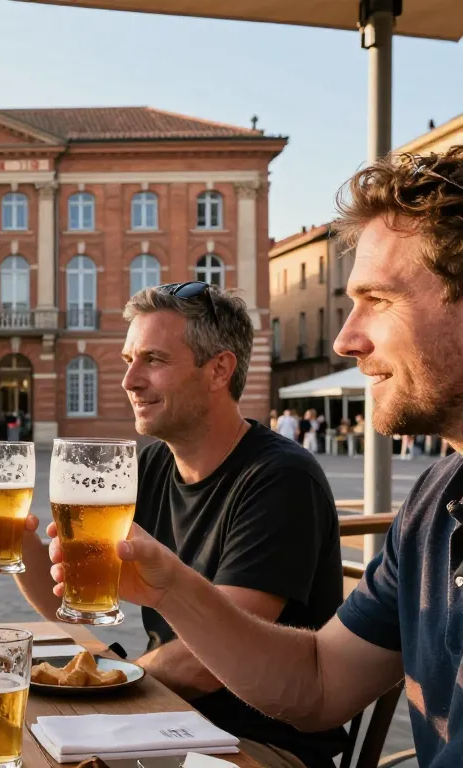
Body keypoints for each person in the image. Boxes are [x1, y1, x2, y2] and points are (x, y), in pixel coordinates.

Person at [62, 149, 463, 768]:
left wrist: (106, 684)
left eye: (378, 298)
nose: (344, 339)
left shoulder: (279, 474)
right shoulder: (436, 502)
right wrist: (174, 590)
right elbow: (321, 683)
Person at [0, 283, 346, 768]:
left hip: (256, 743)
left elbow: (211, 663)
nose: (129, 379)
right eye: (129, 358)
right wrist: (17, 542)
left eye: (153, 360)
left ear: (219, 370)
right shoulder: (147, 468)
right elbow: (72, 606)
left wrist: (108, 678)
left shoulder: (279, 479)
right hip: (160, 722)